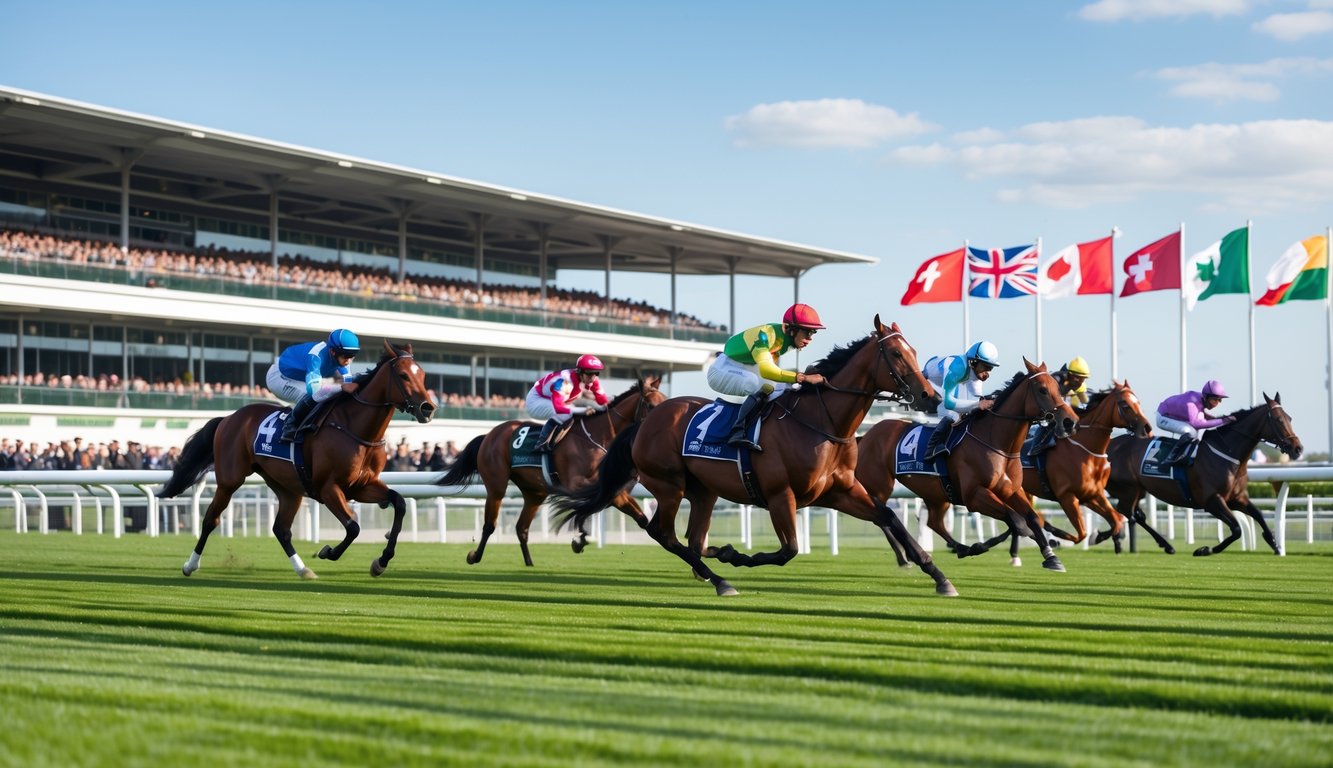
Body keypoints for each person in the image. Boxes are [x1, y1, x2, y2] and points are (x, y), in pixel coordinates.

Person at [704, 303, 827, 452]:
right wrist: (802, 377)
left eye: (813, 332)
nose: (810, 338)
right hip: (721, 370)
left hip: (743, 365)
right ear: (790, 329)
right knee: (754, 383)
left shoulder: (787, 339)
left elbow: (773, 375)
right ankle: (737, 432)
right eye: (807, 332)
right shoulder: (766, 335)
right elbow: (767, 371)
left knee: (782, 388)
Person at [266, 328, 362, 443]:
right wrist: (339, 388)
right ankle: (290, 426)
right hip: (278, 377)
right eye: (346, 356)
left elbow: (348, 384)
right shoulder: (316, 356)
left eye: (352, 355)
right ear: (333, 351)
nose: (348, 361)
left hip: (298, 378)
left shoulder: (342, 357)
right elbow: (315, 393)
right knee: (307, 395)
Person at [921, 340, 999, 459]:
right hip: (929, 377)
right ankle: (932, 448)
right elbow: (949, 403)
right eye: (985, 367)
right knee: (953, 414)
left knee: (971, 407)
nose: (987, 374)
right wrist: (977, 405)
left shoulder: (974, 369)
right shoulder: (957, 369)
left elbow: (978, 397)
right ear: (973, 361)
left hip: (952, 377)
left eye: (990, 368)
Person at [527, 354, 610, 452]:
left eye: (596, 373)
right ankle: (541, 443)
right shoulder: (565, 381)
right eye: (589, 373)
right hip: (536, 401)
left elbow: (603, 402)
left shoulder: (592, 379)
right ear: (580, 372)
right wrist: (582, 410)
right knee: (565, 414)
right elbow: (558, 408)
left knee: (572, 414)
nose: (593, 378)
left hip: (552, 400)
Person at [1156, 380, 1233, 466]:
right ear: (1206, 397)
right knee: (1191, 432)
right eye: (1214, 400)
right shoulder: (1191, 403)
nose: (1217, 404)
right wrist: (1222, 421)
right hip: (1162, 417)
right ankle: (1169, 459)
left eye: (1219, 400)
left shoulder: (1200, 400)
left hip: (1171, 415)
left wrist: (1219, 419)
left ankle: (1187, 456)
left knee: (1197, 435)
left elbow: (1201, 416)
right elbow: (1197, 424)